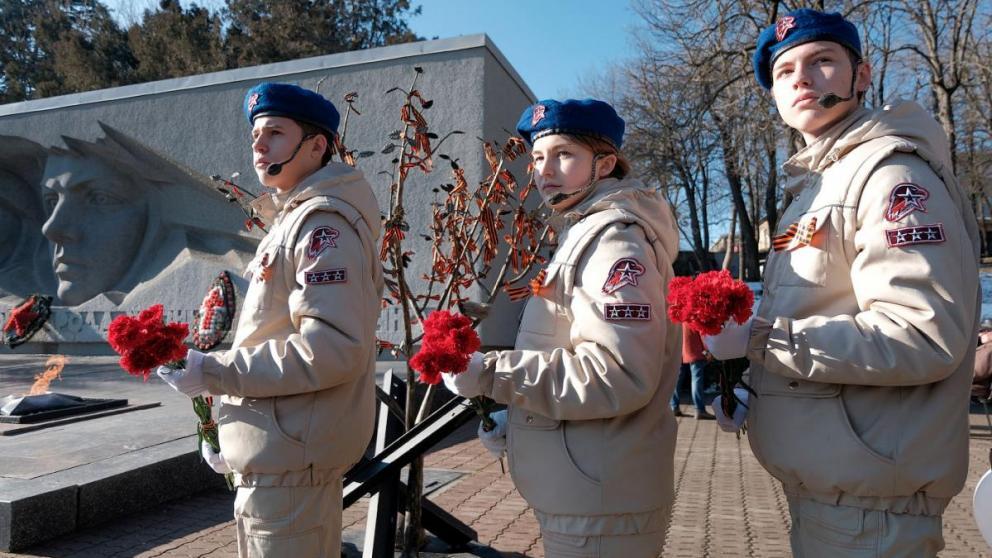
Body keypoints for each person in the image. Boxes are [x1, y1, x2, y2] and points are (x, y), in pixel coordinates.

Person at [705, 9, 980, 557]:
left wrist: (761, 340)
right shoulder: (821, 184)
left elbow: (921, 335)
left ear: (862, 75)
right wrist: (758, 387)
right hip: (836, 493)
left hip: (872, 507)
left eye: (822, 61)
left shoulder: (891, 173)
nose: (802, 79)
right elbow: (826, 310)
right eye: (784, 72)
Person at [443, 98, 681, 557]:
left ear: (605, 164)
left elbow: (617, 375)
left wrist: (492, 374)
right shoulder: (583, 230)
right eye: (537, 157)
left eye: (564, 154)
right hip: (588, 489)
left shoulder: (614, 239)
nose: (544, 170)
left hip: (601, 501)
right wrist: (518, 418)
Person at [157, 82, 384, 557]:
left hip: (290, 464)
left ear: (316, 146)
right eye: (256, 135)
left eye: (276, 133)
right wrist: (238, 433)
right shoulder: (293, 218)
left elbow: (331, 349)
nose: (259, 145)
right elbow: (274, 335)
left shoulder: (321, 226)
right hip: (279, 457)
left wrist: (213, 371)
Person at [670, 324, 714, 419]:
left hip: (680, 349)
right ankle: (699, 410)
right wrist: (707, 351)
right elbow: (702, 333)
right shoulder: (694, 315)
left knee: (677, 378)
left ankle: (674, 407)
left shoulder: (677, 315)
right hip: (695, 350)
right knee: (696, 380)